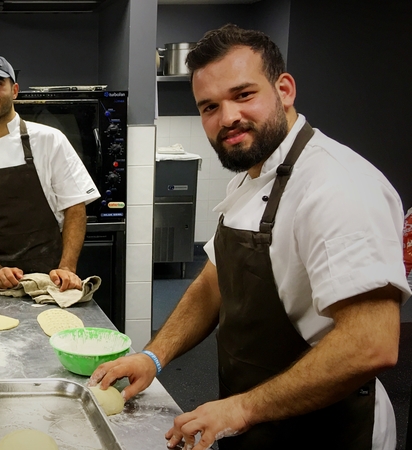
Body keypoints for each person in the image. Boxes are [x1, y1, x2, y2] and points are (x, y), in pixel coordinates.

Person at [90, 24, 411, 450]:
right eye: (209, 107)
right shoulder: (249, 178)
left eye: (243, 95)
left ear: (285, 89)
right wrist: (153, 356)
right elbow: (212, 284)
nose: (227, 119)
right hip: (259, 417)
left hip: (328, 430)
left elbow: (371, 345)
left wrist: (243, 408)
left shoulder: (338, 186)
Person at [0, 55, 100, 291]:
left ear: (15, 90)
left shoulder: (50, 140)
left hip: (51, 278)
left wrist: (67, 268)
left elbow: (75, 207)